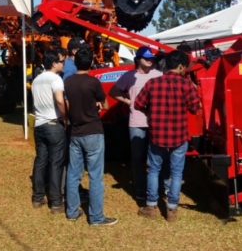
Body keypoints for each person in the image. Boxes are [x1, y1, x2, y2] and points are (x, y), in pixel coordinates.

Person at [134, 50, 201, 223]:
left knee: (154, 170)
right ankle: (172, 210)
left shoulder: (152, 83)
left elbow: (138, 104)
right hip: (179, 136)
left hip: (157, 135)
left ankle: (151, 206)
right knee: (176, 173)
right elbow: (195, 108)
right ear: (180, 66)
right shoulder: (185, 85)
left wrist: (151, 112)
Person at [63, 48, 117, 226]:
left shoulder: (68, 82)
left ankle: (71, 211)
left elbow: (68, 104)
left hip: (75, 131)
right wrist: (98, 106)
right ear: (91, 63)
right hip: (93, 131)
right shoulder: (93, 82)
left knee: (73, 173)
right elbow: (106, 104)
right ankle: (96, 216)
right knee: (95, 176)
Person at [108, 47, 164, 202]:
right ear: (138, 59)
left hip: (155, 123)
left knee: (155, 158)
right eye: (146, 58)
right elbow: (113, 92)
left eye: (151, 58)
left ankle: (156, 189)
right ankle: (140, 190)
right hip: (137, 123)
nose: (150, 60)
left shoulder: (158, 75)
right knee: (138, 158)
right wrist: (129, 101)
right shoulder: (128, 76)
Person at [30, 50, 67, 214]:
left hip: (39, 124)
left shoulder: (36, 80)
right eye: (61, 61)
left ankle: (38, 197)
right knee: (56, 163)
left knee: (40, 161)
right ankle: (56, 202)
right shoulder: (56, 79)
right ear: (54, 63)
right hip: (53, 124)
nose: (63, 64)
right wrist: (65, 117)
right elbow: (59, 100)